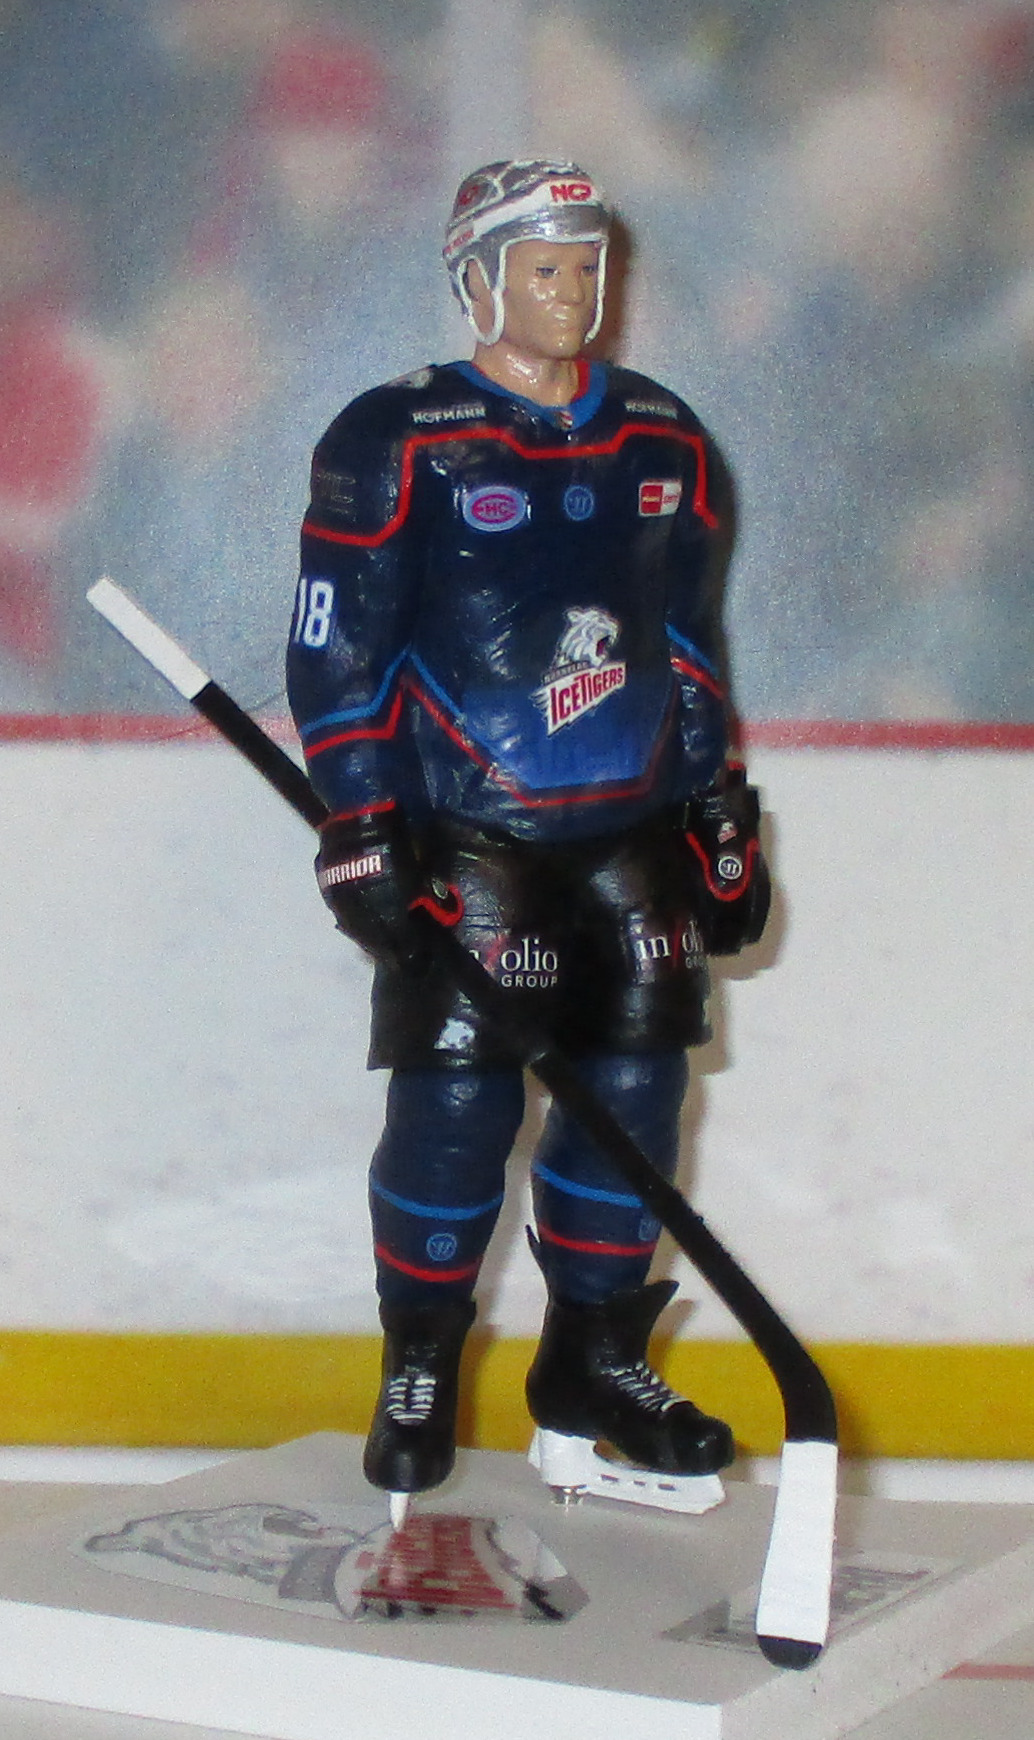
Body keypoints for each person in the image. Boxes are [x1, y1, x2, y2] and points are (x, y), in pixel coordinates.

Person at [286, 160, 769, 1509]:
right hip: (470, 838)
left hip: (629, 833)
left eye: (588, 264)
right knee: (455, 1102)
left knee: (638, 1094)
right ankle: (420, 1363)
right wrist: (362, 816)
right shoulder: (399, 436)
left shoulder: (664, 437)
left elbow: (689, 638)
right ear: (476, 280)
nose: (573, 292)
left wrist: (718, 802)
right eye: (544, 268)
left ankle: (594, 1361)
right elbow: (336, 652)